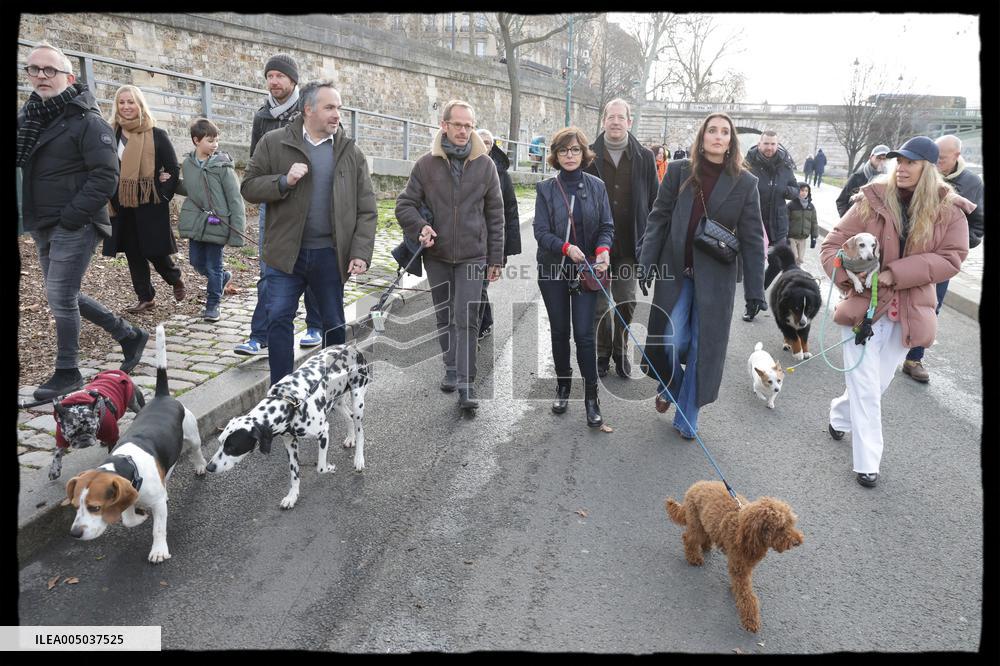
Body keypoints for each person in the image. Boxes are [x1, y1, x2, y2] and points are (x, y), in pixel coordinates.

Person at [820, 136, 968, 488]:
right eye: (898, 161)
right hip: (862, 310)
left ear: (929, 168)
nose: (901, 168)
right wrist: (848, 279)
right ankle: (867, 462)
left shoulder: (948, 211)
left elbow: (952, 259)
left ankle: (840, 416)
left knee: (876, 384)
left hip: (909, 313)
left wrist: (895, 273)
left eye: (911, 162)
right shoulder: (869, 201)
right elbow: (831, 246)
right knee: (867, 387)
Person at [17, 41, 148, 400]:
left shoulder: (87, 121)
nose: (41, 76)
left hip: (76, 222)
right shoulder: (30, 119)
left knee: (60, 295)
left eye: (50, 70)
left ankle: (68, 370)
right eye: (34, 69)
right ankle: (128, 334)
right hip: (42, 221)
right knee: (63, 293)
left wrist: (74, 216)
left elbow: (106, 175)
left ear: (69, 77)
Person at [637, 112, 766, 439]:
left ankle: (687, 418)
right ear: (703, 136)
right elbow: (658, 218)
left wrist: (755, 291)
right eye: (712, 130)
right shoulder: (679, 171)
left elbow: (752, 240)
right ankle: (672, 386)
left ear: (731, 140)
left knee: (700, 350)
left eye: (725, 132)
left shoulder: (746, 183)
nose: (718, 136)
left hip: (717, 280)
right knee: (669, 339)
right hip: (676, 272)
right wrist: (647, 260)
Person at [241, 80, 377, 386]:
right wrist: (283, 182)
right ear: (308, 110)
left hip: (330, 254)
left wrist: (359, 252)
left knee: (333, 323)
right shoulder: (274, 143)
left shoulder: (350, 152)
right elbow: (248, 187)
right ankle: (281, 390)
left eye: (338, 108)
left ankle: (331, 386)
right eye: (330, 107)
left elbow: (367, 209)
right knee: (278, 320)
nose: (337, 115)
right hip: (284, 255)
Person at [396, 100, 504, 410]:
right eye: (458, 125)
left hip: (473, 256)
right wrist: (421, 226)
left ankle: (467, 386)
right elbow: (404, 205)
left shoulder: (486, 166)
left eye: (469, 126)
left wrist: (495, 259)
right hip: (438, 255)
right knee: (445, 315)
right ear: (444, 125)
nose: (463, 131)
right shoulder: (426, 164)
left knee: (466, 316)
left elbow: (496, 216)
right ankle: (451, 368)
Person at [236, 53, 324, 356]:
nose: (274, 81)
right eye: (269, 76)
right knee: (270, 269)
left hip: (311, 203)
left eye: (280, 76)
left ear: (293, 80)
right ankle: (259, 335)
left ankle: (315, 325)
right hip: (275, 201)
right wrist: (274, 184)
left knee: (311, 263)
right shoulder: (262, 116)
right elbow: (254, 167)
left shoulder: (311, 110)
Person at [533, 127, 613, 426]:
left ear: (584, 153)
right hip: (554, 269)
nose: (570, 155)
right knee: (559, 331)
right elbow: (541, 232)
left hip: (586, 271)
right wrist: (566, 248)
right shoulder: (545, 189)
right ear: (556, 154)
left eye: (575, 150)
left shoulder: (597, 187)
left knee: (583, 334)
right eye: (564, 150)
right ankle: (563, 385)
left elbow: (607, 225)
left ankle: (592, 398)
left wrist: (603, 249)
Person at [584, 98, 659, 379]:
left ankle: (620, 349)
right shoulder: (589, 155)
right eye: (610, 117)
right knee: (600, 305)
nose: (615, 122)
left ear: (629, 122)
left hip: (630, 245)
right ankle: (602, 353)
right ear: (604, 121)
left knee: (626, 300)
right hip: (596, 246)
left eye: (621, 117)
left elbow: (656, 202)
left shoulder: (645, 158)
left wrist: (652, 242)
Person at [901, 134, 984, 383]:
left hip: (939, 261)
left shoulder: (971, 183)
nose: (936, 163)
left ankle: (913, 358)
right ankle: (890, 346)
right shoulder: (919, 173)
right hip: (910, 254)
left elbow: (978, 223)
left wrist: (955, 244)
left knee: (930, 306)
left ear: (957, 157)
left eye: (942, 159)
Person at [100, 85, 184, 314]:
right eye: (121, 102)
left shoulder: (156, 134)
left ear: (140, 105)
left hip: (150, 202)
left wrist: (163, 195)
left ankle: (174, 277)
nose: (126, 107)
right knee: (133, 253)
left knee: (155, 250)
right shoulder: (110, 133)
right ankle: (145, 297)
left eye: (131, 102)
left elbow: (173, 169)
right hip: (120, 203)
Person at [176, 118, 247, 322]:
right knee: (196, 262)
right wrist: (171, 183)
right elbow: (191, 188)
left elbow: (235, 198)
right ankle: (223, 279)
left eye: (216, 140)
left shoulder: (222, 166)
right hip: (196, 221)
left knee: (214, 266)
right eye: (210, 140)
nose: (215, 144)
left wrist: (236, 232)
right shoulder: (188, 164)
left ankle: (213, 303)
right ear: (196, 141)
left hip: (217, 222)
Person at [743, 130, 798, 318]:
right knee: (756, 263)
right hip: (754, 222)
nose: (769, 148)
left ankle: (760, 293)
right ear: (759, 144)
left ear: (777, 144)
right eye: (766, 144)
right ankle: (751, 306)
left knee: (777, 262)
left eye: (773, 144)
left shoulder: (785, 164)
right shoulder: (748, 163)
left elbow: (795, 188)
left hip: (778, 223)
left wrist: (788, 191)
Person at [475, 128, 521, 340]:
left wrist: (505, 250)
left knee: (480, 285)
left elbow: (510, 210)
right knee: (473, 284)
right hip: (470, 237)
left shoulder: (502, 175)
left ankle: (484, 322)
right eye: (482, 141)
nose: (486, 146)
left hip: (491, 238)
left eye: (489, 143)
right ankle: (480, 322)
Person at [836, 144, 889, 217]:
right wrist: (846, 219)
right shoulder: (857, 177)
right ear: (871, 157)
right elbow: (841, 200)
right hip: (856, 221)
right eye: (879, 158)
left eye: (885, 159)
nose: (882, 162)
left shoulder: (889, 180)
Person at [786, 182, 818, 265]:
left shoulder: (811, 207)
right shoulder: (791, 205)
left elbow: (814, 222)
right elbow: (785, 221)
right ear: (797, 191)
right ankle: (789, 275)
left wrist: (814, 237)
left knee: (800, 260)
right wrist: (784, 235)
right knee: (794, 259)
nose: (804, 192)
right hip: (791, 238)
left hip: (803, 239)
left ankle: (796, 275)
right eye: (802, 190)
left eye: (806, 191)